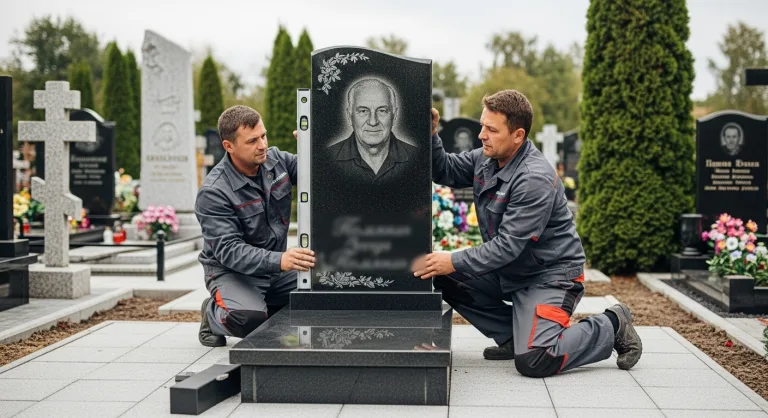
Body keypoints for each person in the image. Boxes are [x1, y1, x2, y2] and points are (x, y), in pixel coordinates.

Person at [412, 90, 642, 377]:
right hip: (511, 269)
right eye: (482, 126)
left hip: (549, 276)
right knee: (437, 273)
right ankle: (512, 335)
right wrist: (432, 134)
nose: (482, 135)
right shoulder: (486, 159)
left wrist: (453, 260)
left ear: (518, 135)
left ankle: (612, 324)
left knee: (535, 359)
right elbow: (445, 170)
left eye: (491, 129)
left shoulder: (534, 177)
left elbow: (507, 246)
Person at [194, 105, 315, 347]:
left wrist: (314, 147)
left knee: (330, 284)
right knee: (248, 320)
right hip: (234, 273)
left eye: (263, 136)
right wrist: (280, 260)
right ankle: (213, 314)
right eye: (252, 141)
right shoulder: (214, 192)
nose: (262, 145)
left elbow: (317, 173)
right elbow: (230, 251)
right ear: (228, 146)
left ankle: (263, 305)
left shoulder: (277, 160)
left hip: (276, 272)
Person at [327, 78, 417, 183]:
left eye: (382, 111)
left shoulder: (417, 157)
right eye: (363, 111)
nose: (373, 122)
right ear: (349, 116)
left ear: (394, 115)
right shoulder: (327, 158)